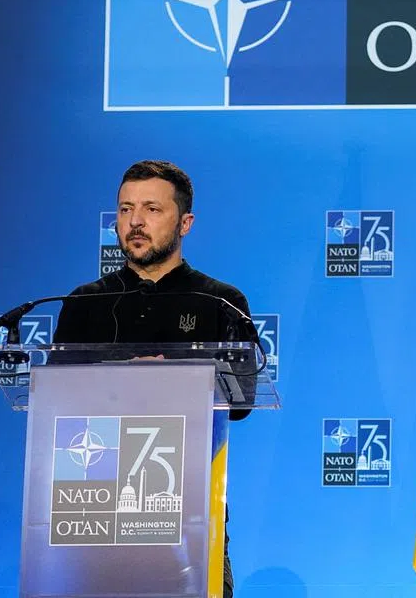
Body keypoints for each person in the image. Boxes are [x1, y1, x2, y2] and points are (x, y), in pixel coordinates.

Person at [53, 159, 255, 598]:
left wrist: (173, 381)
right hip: (93, 512)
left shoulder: (220, 301)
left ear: (185, 223)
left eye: (151, 209)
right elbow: (56, 404)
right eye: (125, 210)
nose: (135, 222)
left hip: (188, 512)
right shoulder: (85, 302)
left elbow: (242, 402)